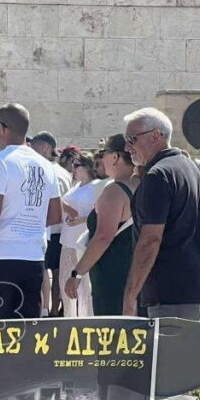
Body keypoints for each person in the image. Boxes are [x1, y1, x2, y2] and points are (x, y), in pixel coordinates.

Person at [122, 107, 200, 400]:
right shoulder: (190, 168)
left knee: (154, 375)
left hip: (168, 287)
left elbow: (150, 239)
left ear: (156, 136)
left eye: (133, 138)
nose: (128, 146)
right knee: (169, 374)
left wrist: (131, 293)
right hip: (194, 284)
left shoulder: (159, 175)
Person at [0, 104, 62, 319]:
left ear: (2, 128)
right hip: (34, 257)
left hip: (0, 256)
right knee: (26, 328)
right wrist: (29, 222)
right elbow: (56, 215)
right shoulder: (46, 165)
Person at [65, 135, 137, 316]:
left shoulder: (114, 191)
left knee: (112, 328)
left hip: (112, 274)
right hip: (136, 272)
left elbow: (103, 237)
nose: (101, 158)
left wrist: (77, 274)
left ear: (115, 157)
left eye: (103, 153)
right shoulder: (143, 184)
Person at [31, 132, 73, 317]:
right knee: (56, 272)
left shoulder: (46, 170)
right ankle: (54, 309)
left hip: (50, 228)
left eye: (34, 147)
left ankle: (48, 310)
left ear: (45, 147)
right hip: (59, 228)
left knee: (48, 272)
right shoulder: (63, 172)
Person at [58, 152, 102, 317]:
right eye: (73, 165)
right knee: (64, 282)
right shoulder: (75, 186)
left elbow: (98, 213)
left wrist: (81, 220)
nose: (73, 169)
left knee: (84, 286)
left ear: (87, 167)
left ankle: (86, 320)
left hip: (83, 242)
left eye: (77, 165)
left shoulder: (96, 186)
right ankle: (68, 319)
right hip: (67, 240)